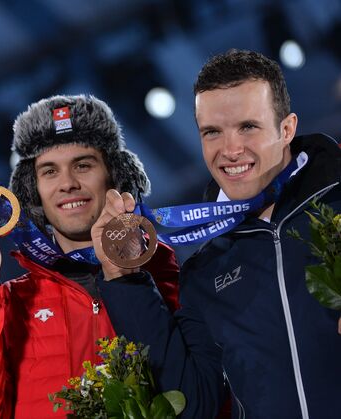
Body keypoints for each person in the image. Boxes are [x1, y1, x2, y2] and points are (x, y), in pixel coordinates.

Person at [101, 49, 341, 418]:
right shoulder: (206, 271)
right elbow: (194, 404)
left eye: (248, 126)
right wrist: (122, 277)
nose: (230, 150)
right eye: (212, 132)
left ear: (287, 128)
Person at [0, 95, 182, 418]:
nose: (68, 183)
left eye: (83, 165)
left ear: (115, 176)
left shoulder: (163, 276)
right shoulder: (9, 304)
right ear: (32, 190)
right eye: (50, 171)